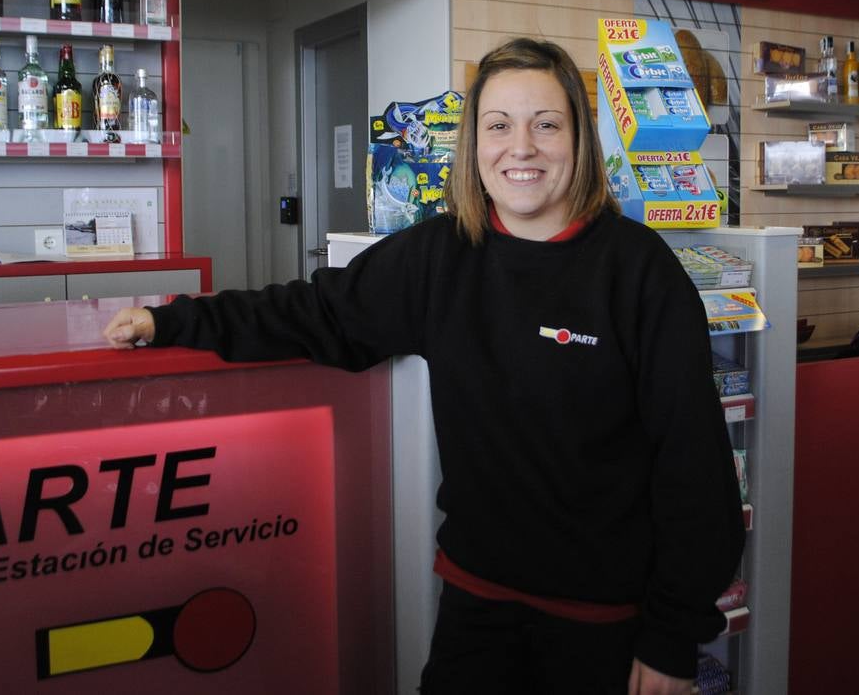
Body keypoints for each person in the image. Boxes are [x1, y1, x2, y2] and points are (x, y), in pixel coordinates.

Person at [104, 37, 745, 694]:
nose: (520, 147)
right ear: (472, 144)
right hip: (476, 605)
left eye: (545, 124)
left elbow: (693, 469)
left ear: (579, 140)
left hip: (604, 623)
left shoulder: (640, 274)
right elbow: (317, 312)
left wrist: (671, 637)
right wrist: (176, 320)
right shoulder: (442, 256)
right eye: (498, 126)